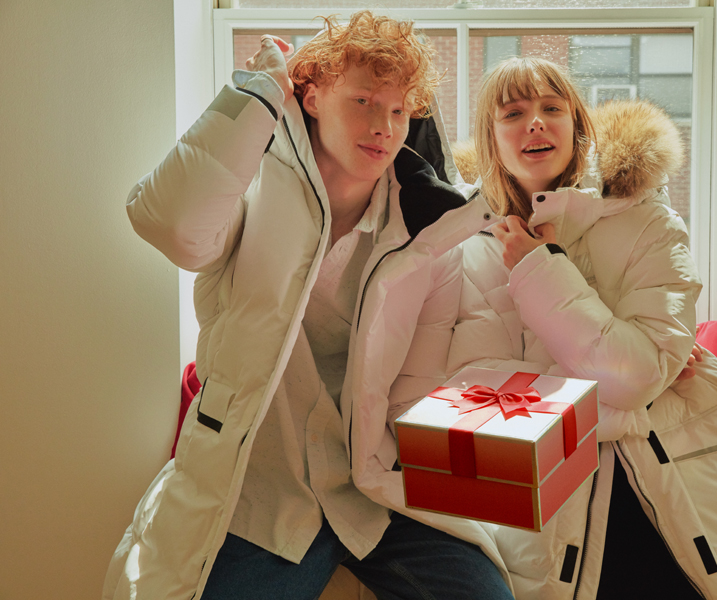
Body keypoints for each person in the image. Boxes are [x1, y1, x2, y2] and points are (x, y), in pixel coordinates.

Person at [103, 12, 514, 600]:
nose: (383, 127)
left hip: (375, 491)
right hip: (257, 484)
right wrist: (259, 92)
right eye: (363, 101)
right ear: (313, 98)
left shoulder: (429, 237)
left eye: (399, 110)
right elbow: (168, 224)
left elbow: (414, 388)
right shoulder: (249, 191)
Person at [448, 57, 717, 599]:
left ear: (577, 124)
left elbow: (634, 378)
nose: (536, 122)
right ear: (489, 138)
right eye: (513, 113)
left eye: (552, 108)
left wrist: (540, 269)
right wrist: (631, 381)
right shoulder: (465, 245)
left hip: (675, 482)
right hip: (543, 504)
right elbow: (472, 397)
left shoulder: (650, 221)